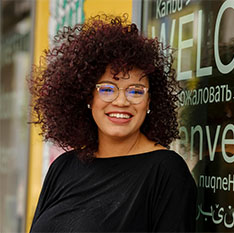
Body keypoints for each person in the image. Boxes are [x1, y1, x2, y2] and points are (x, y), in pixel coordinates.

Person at [29, 14, 197, 232]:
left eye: (136, 91)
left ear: (149, 101)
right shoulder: (63, 167)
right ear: (88, 97)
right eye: (107, 89)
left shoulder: (165, 172)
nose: (121, 101)